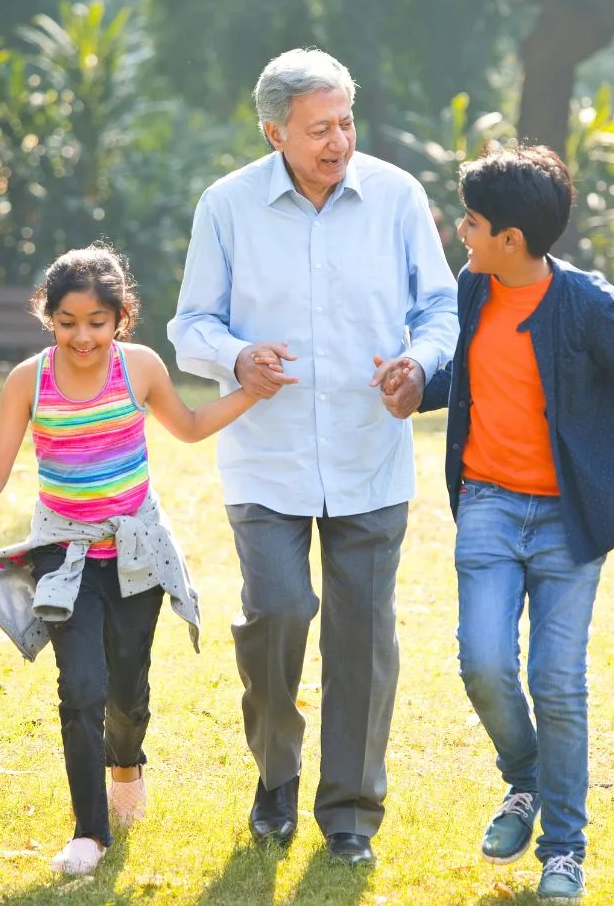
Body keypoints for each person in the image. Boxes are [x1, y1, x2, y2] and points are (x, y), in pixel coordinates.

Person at [168, 47, 458, 865]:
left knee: (364, 637)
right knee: (279, 614)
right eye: (319, 128)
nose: (339, 141)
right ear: (274, 133)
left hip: (372, 454)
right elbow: (190, 324)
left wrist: (424, 362)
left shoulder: (397, 194)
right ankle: (275, 778)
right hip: (268, 459)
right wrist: (235, 357)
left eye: (346, 122)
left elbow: (440, 303)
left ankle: (352, 815)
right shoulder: (226, 205)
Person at [404, 144, 614, 899]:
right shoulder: (475, 287)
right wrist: (413, 385)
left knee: (556, 679)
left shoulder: (588, 305)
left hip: (569, 516)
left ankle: (564, 849)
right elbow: (470, 376)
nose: (461, 234)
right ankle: (525, 779)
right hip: (487, 500)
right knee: (481, 660)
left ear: (511, 239)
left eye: (471, 224)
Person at [0, 244, 262, 876]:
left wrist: (250, 392)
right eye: (67, 322)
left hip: (136, 554)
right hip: (64, 555)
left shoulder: (139, 367)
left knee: (127, 689)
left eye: (96, 322)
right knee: (81, 688)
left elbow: (193, 425)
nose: (81, 336)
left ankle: (126, 764)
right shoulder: (27, 380)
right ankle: (89, 832)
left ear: (122, 317)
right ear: (48, 316)